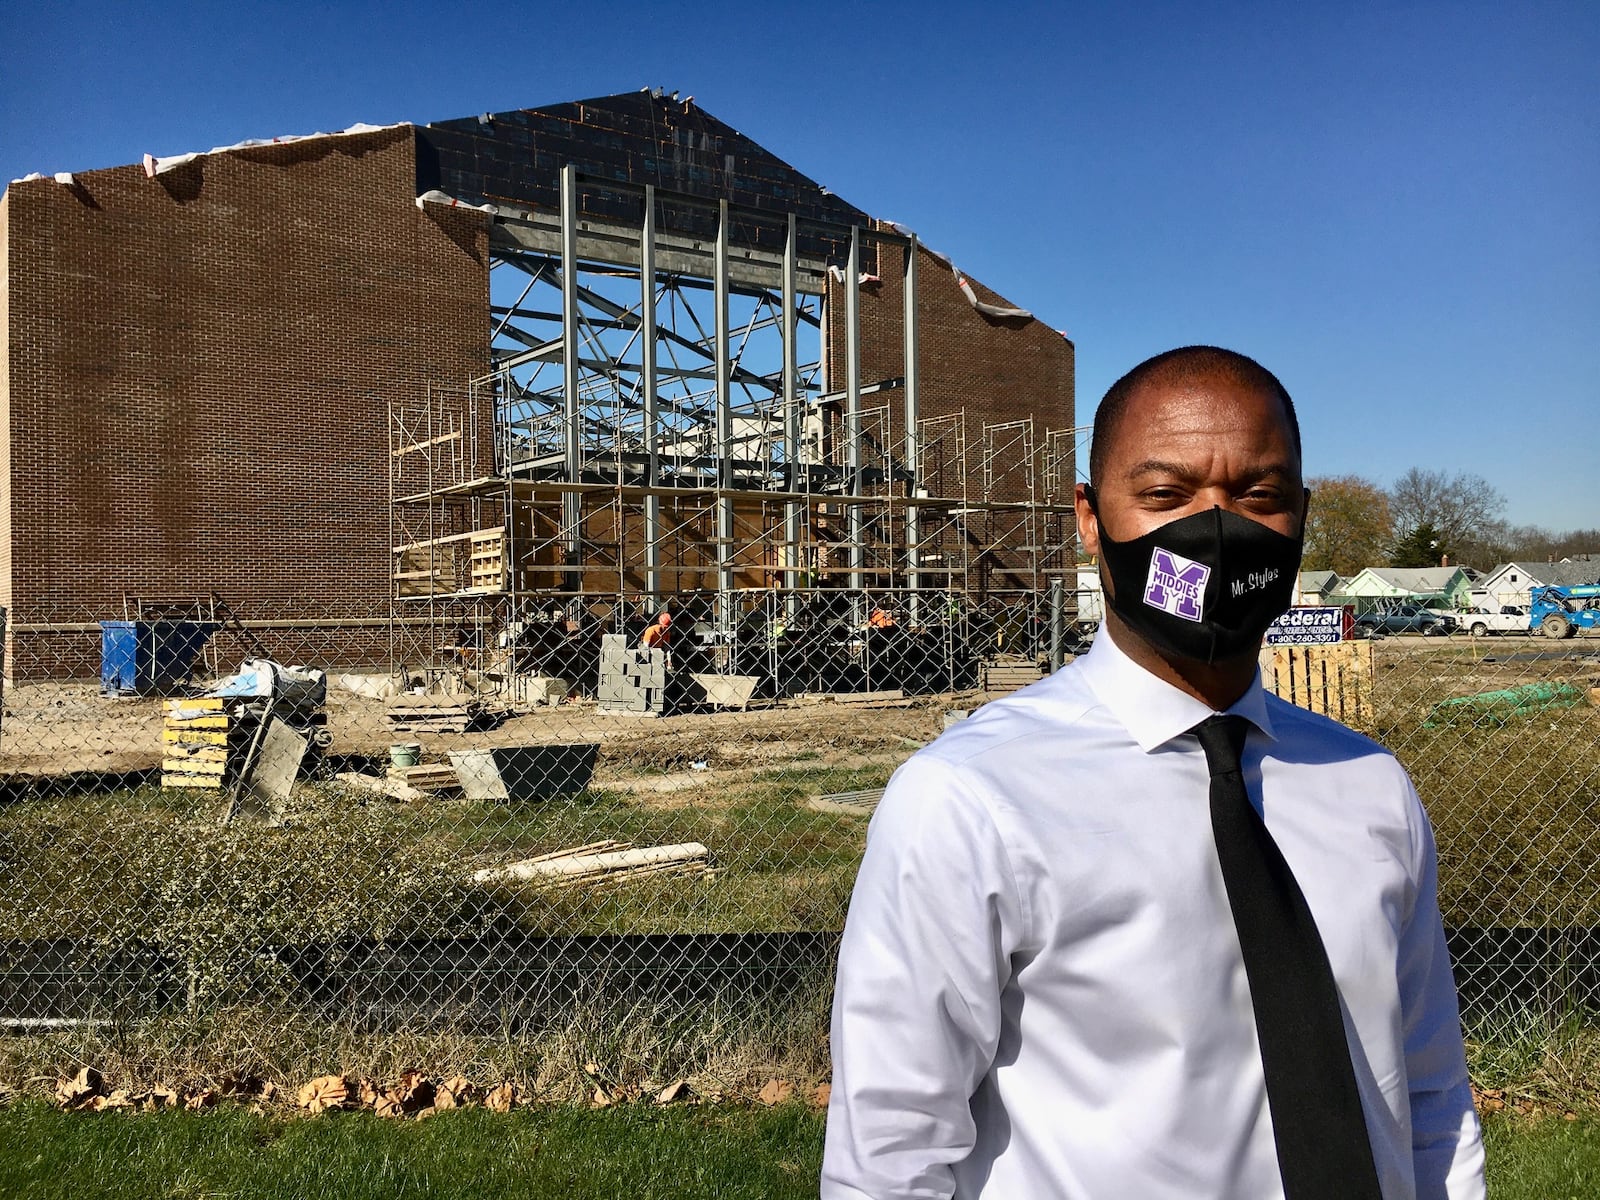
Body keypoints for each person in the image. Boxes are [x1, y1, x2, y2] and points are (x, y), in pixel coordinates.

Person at [823, 347, 1484, 1199]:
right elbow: (892, 1159)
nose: (1216, 531)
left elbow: (1428, 1095)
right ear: (1092, 520)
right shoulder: (972, 801)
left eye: (1260, 497)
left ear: (1301, 518)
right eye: (1166, 496)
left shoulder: (1368, 783)